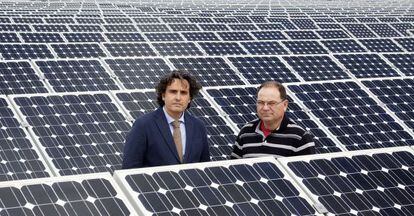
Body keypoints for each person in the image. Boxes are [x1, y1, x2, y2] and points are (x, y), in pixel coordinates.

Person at [122, 70, 210, 169]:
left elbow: (205, 167)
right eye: (173, 92)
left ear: (189, 98)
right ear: (163, 95)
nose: (178, 97)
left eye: (183, 93)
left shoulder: (198, 126)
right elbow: (129, 169)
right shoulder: (143, 125)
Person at [231, 81, 315, 159]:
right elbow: (235, 169)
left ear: (285, 105)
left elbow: (308, 173)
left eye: (271, 103)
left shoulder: (300, 137)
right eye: (261, 102)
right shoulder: (246, 132)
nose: (265, 108)